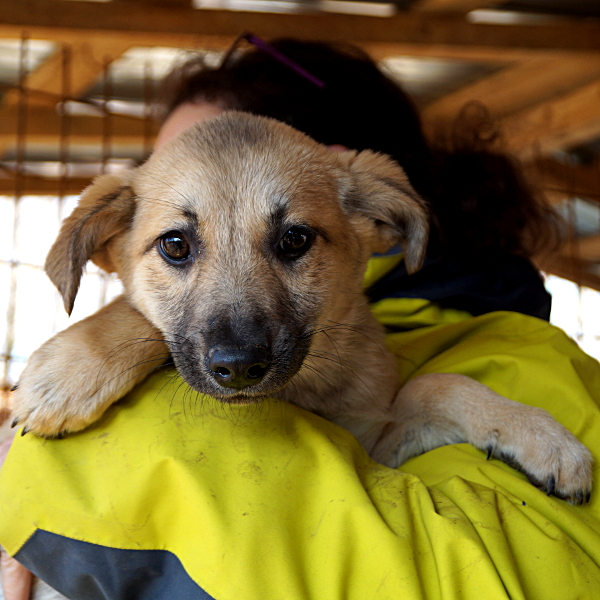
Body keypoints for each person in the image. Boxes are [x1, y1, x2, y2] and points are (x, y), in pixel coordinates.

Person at [1, 36, 599, 600]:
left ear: (366, 213)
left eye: (290, 241)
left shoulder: (520, 351)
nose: (233, 346)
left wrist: (34, 479)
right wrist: (119, 336)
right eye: (177, 246)